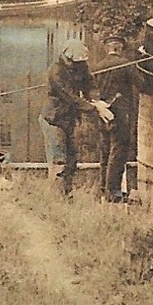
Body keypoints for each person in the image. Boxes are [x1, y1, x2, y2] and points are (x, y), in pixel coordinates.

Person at [91, 34, 142, 202]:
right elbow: (141, 83)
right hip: (120, 113)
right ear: (119, 48)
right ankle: (113, 191)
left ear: (107, 48)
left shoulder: (98, 67)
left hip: (102, 112)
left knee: (105, 150)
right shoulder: (126, 64)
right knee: (119, 150)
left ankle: (103, 189)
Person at [42, 38, 95, 196]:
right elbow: (69, 96)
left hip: (69, 119)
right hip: (54, 119)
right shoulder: (56, 71)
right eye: (73, 62)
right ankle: (55, 197)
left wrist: (95, 99)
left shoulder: (81, 66)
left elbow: (89, 85)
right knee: (59, 160)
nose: (76, 65)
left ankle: (67, 193)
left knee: (72, 160)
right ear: (66, 57)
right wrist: (91, 107)